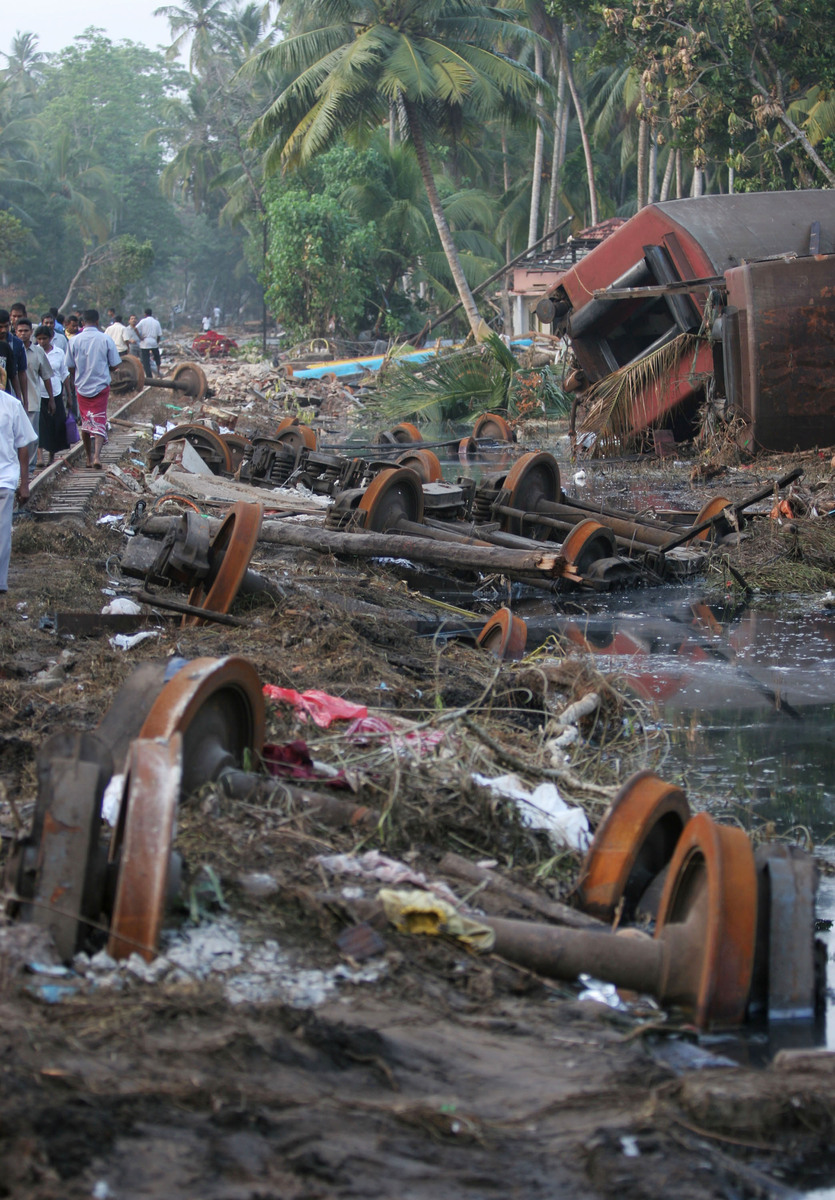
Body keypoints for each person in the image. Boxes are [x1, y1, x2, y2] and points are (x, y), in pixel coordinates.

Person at [65, 308, 121, 469]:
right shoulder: (105, 339)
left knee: (86, 422)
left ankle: (88, 458)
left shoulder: (74, 340)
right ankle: (97, 457)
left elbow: (69, 365)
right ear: (97, 321)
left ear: (82, 322)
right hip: (101, 386)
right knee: (99, 420)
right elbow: (116, 364)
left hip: (81, 387)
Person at [0, 363, 36, 593]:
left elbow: (23, 445)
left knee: (2, 532)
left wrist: (25, 483)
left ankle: (0, 582)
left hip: (4, 478)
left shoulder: (11, 405)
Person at [15, 318, 55, 471]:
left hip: (32, 399)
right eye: (20, 331)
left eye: (26, 331)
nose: (23, 334)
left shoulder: (38, 352)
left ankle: (29, 468)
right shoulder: (11, 350)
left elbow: (46, 376)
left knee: (31, 437)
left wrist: (51, 399)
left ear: (31, 332)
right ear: (16, 331)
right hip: (14, 400)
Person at [33, 324, 70, 465]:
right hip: (38, 393)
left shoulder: (59, 353)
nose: (42, 342)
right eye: (39, 339)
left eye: (45, 339)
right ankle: (39, 456)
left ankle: (52, 455)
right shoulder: (34, 351)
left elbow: (64, 373)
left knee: (55, 424)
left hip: (55, 392)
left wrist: (68, 394)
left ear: (51, 338)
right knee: (40, 425)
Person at [0, 309, 27, 408]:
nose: (3, 330)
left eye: (6, 326)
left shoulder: (8, 346)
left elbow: (15, 374)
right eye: (0, 327)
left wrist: (20, 399)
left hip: (5, 397)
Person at [136, 307, 163, 377]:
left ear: (145, 314)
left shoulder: (143, 321)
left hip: (145, 342)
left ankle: (149, 376)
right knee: (157, 358)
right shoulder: (156, 322)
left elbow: (136, 328)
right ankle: (158, 372)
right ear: (151, 314)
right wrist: (157, 342)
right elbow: (159, 334)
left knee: (146, 361)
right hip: (154, 342)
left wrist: (140, 337)